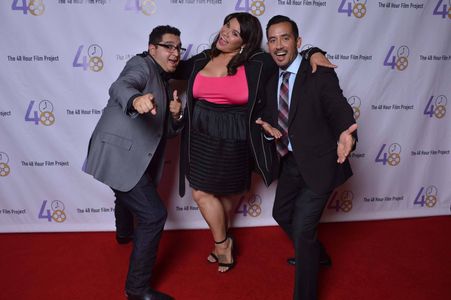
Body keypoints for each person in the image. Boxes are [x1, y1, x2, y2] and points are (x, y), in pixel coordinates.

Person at [177, 12, 334, 273]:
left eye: (235, 32)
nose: (226, 33)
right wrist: (147, 61)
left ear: (246, 42)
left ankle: (221, 243)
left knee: (224, 193)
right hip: (201, 137)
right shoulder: (203, 59)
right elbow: (171, 67)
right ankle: (223, 242)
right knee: (202, 192)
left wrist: (315, 52)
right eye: (227, 26)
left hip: (235, 139)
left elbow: (289, 56)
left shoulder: (258, 62)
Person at [258, 15, 358, 300]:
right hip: (291, 163)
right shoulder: (270, 78)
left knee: (302, 230)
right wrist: (268, 129)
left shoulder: (319, 73)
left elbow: (338, 107)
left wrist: (346, 133)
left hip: (322, 164)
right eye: (273, 40)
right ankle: (317, 255)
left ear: (298, 42)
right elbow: (271, 116)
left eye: (285, 38)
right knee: (281, 214)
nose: (278, 45)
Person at [83, 25, 184, 300]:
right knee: (153, 216)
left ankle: (124, 234)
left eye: (178, 47)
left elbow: (168, 132)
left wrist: (176, 115)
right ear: (153, 49)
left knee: (127, 192)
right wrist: (136, 99)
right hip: (120, 153)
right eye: (169, 46)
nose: (175, 53)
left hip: (137, 156)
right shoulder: (141, 65)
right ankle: (137, 291)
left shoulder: (165, 82)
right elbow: (120, 85)